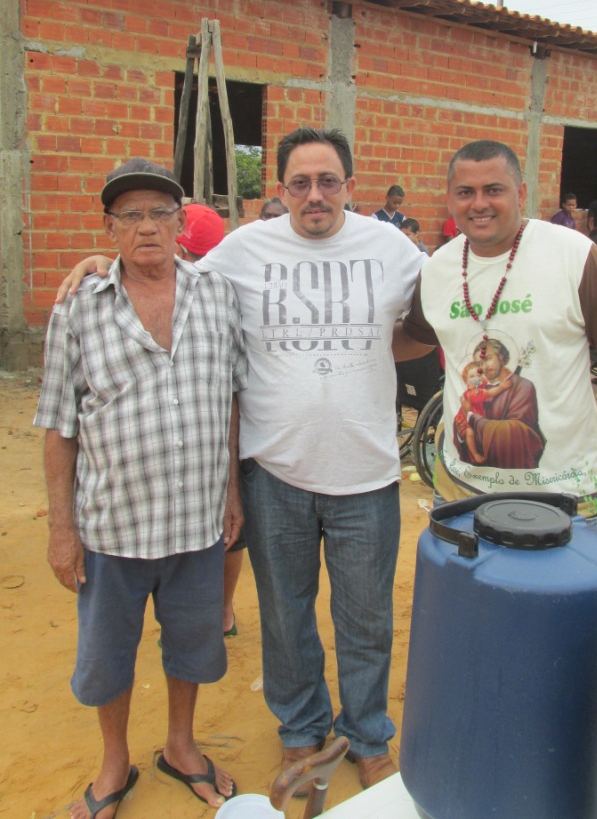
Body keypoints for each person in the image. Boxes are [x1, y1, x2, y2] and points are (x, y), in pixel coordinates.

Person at [57, 130, 426, 794]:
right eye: (300, 183)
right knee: (285, 617)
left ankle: (368, 736)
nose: (315, 195)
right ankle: (300, 730)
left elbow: (437, 314)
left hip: (367, 474)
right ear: (279, 190)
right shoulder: (244, 250)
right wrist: (99, 260)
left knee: (366, 619)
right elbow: (162, 260)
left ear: (349, 185)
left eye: (329, 181)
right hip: (274, 474)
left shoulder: (393, 248)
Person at [36, 160, 246, 815]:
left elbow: (231, 397)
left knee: (192, 645)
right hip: (112, 526)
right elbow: (58, 428)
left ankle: (180, 746)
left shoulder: (217, 293)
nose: (146, 226)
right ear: (109, 229)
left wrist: (231, 490)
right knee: (108, 657)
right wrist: (62, 530)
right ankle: (113, 763)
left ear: (181, 223)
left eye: (159, 212)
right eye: (130, 215)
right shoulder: (78, 307)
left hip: (197, 521)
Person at [402, 140, 597, 544]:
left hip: (562, 500)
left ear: (521, 193)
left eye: (494, 190)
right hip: (459, 497)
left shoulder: (574, 256)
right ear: (450, 198)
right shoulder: (437, 268)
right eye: (465, 192)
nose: (479, 203)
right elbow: (416, 341)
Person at [176, 203, 244, 639]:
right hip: (227, 420)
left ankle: (205, 611)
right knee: (229, 527)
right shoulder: (230, 281)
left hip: (212, 422)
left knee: (220, 522)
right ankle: (220, 610)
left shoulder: (215, 289)